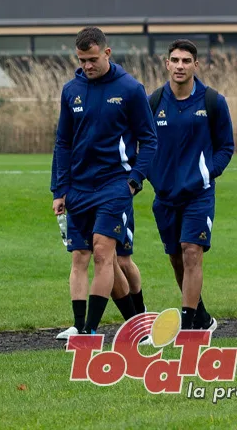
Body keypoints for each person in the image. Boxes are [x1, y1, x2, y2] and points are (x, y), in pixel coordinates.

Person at [51, 27, 157, 336]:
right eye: (82, 60)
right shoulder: (71, 90)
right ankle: (129, 323)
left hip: (115, 185)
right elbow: (63, 143)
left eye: (92, 59)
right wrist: (60, 189)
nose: (87, 66)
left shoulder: (130, 89)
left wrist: (135, 180)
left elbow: (148, 141)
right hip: (79, 189)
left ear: (107, 53)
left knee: (104, 254)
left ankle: (89, 331)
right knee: (82, 256)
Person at [146, 39, 232, 331]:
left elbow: (225, 147)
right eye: (175, 60)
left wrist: (207, 175)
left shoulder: (212, 101)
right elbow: (142, 144)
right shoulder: (154, 101)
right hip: (165, 196)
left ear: (196, 65)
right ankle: (202, 317)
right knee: (176, 259)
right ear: (166, 64)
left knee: (191, 251)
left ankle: (187, 326)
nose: (180, 65)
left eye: (186, 61)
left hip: (199, 195)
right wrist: (148, 175)